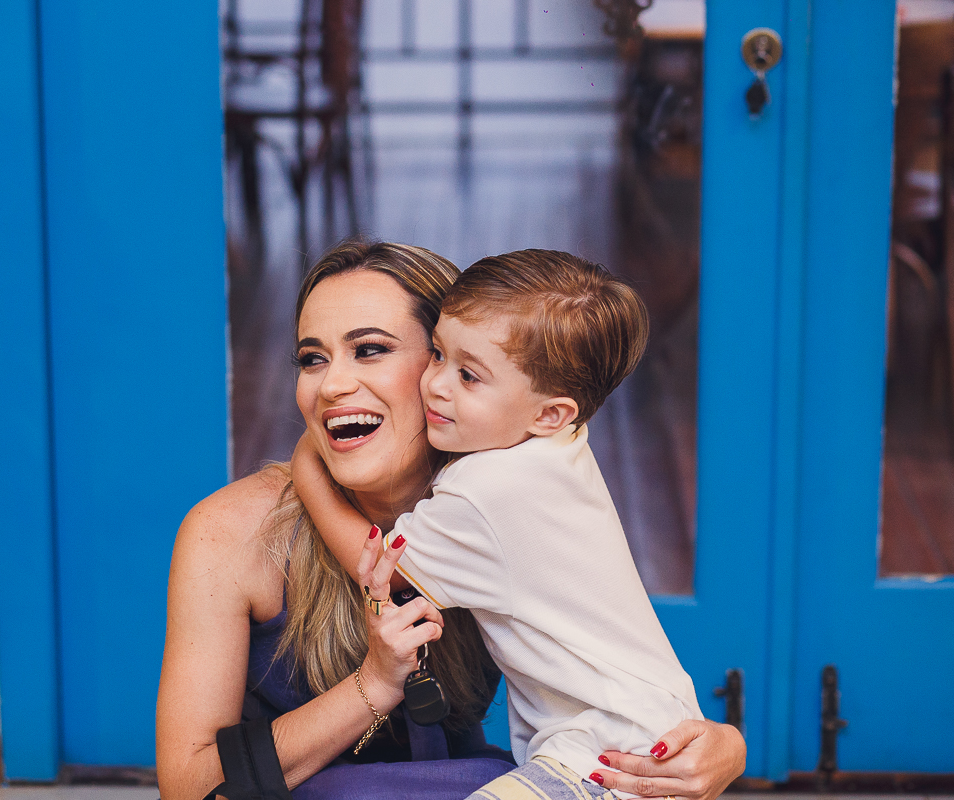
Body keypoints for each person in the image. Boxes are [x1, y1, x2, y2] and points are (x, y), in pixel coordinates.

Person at [155, 240, 746, 800]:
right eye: (312, 359)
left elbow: (610, 646)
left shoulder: (497, 497)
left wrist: (723, 747)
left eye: (371, 349)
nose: (332, 385)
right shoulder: (230, 531)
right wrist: (373, 687)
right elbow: (189, 785)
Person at [292, 249, 703, 800]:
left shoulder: (485, 490)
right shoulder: (557, 448)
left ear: (549, 413)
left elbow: (384, 571)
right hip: (646, 725)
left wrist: (307, 470)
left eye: (469, 376)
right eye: (437, 354)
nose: (437, 385)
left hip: (603, 752)